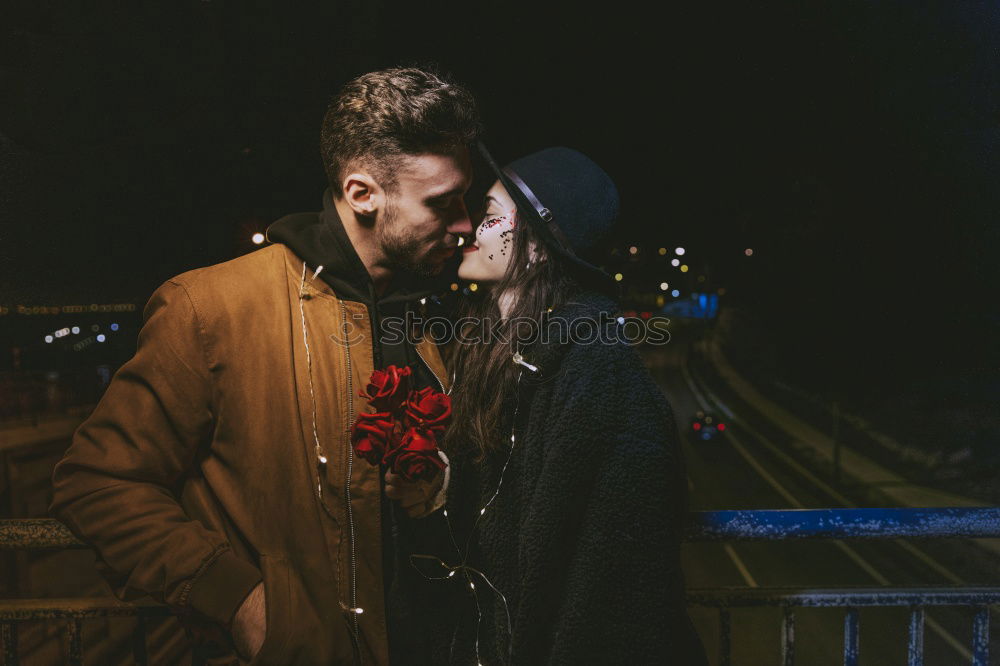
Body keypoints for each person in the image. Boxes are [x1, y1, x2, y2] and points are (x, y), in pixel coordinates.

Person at [49, 66, 480, 665]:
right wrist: (238, 598)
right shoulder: (209, 307)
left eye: (465, 197)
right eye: (443, 202)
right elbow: (97, 482)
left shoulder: (433, 313)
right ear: (362, 195)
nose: (464, 223)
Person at [438, 146, 709, 664]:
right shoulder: (490, 348)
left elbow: (616, 590)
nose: (472, 228)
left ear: (537, 247)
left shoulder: (597, 370)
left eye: (492, 217)